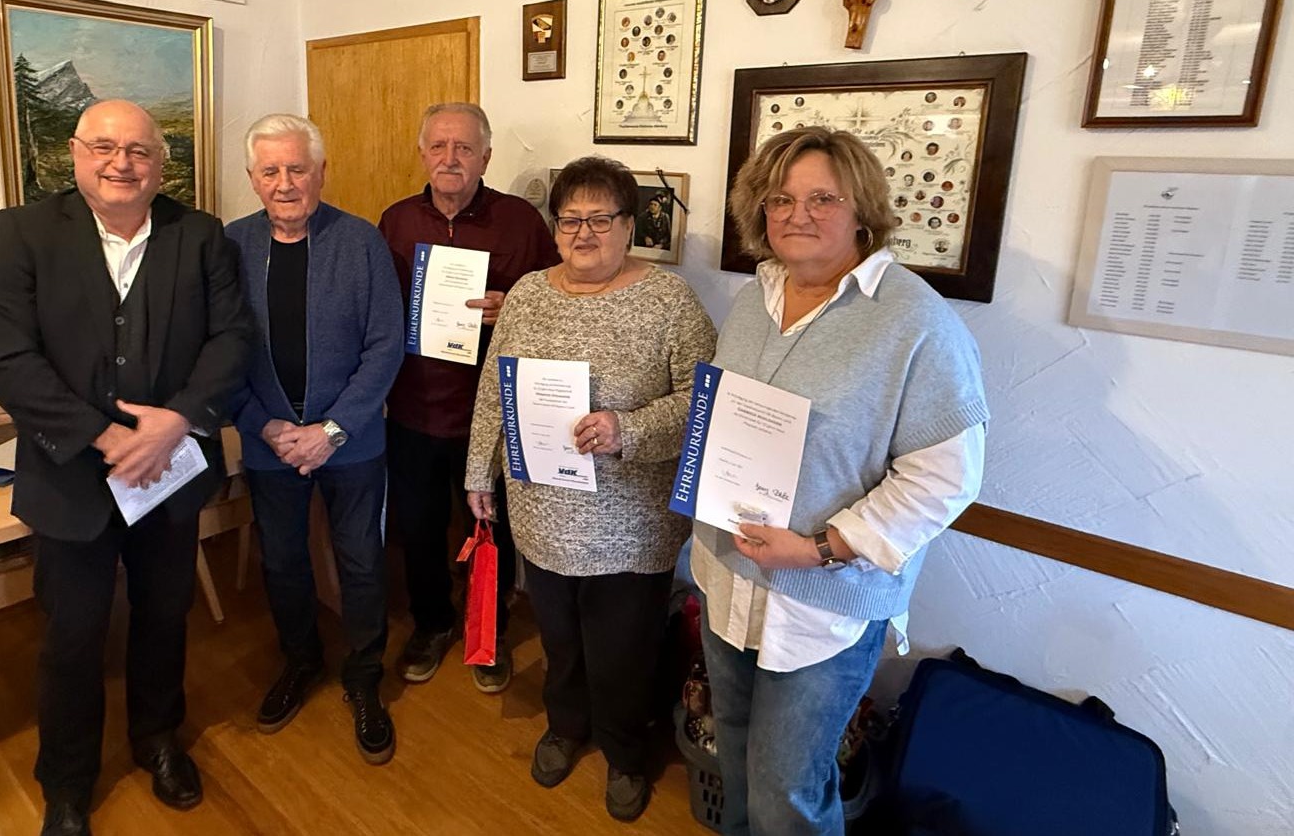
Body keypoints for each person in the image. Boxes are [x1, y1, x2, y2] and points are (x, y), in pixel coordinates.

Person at [696, 125, 988, 836]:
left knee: (787, 794)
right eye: (780, 198)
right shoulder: (751, 299)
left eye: (822, 197)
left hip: (823, 603)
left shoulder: (914, 319)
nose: (798, 213)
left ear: (862, 209)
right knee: (733, 760)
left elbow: (945, 477)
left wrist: (821, 546)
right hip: (727, 579)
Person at [0, 99, 253, 836]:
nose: (121, 162)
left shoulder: (201, 235)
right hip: (68, 475)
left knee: (166, 614)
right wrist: (106, 436)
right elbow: (2, 357)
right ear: (74, 153)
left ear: (161, 164)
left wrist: (179, 417)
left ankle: (158, 739)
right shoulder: (25, 231)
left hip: (169, 472)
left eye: (138, 150)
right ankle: (66, 782)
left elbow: (231, 341)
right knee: (72, 634)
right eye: (104, 146)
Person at [464, 156, 716, 822]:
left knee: (623, 650)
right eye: (570, 218)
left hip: (632, 523)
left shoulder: (669, 301)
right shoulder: (526, 294)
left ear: (629, 225)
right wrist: (477, 473)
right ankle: (566, 724)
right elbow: (495, 387)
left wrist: (626, 428)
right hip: (540, 509)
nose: (584, 232)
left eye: (600, 218)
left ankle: (626, 751)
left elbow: (704, 400)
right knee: (559, 637)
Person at [224, 113, 405, 764]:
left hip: (349, 442)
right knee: (283, 562)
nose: (285, 181)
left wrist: (331, 429)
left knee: (360, 561)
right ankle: (299, 661)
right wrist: (265, 424)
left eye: (297, 167)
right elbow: (218, 351)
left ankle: (363, 678)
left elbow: (387, 343)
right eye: (270, 170)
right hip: (270, 442)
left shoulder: (360, 241)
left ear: (321, 172)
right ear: (252, 177)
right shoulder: (230, 245)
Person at [378, 102, 558, 692]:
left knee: (495, 531)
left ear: (485, 156)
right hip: (414, 407)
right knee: (422, 528)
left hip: (494, 415)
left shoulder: (521, 222)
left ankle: (490, 629)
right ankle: (431, 623)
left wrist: (515, 308)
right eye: (438, 146)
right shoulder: (396, 221)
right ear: (423, 154)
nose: (450, 158)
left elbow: (558, 298)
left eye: (463, 148)